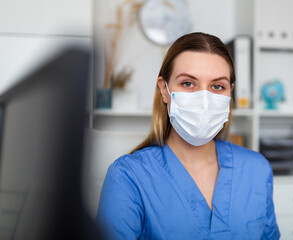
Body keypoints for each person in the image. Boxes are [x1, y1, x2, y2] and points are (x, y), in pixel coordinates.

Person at [96, 32, 280, 239]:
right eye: (188, 83)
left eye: (217, 86)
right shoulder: (128, 177)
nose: (204, 99)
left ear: (230, 93)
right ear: (164, 90)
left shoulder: (256, 169)